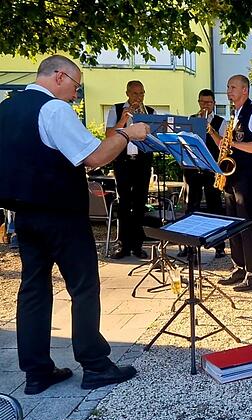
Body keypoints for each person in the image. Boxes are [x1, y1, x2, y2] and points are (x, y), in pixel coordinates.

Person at [0, 55, 148, 394]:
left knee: (33, 290)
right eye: (75, 87)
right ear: (59, 76)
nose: (75, 95)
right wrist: (126, 133)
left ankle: (36, 372)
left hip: (24, 214)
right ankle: (95, 365)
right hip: (61, 213)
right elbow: (93, 156)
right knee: (83, 288)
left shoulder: (7, 108)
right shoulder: (53, 109)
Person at [217, 75, 252, 292]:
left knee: (247, 226)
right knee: (233, 225)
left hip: (249, 177)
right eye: (228, 87)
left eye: (232, 87)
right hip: (233, 176)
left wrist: (235, 145)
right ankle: (239, 267)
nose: (228, 91)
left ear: (245, 90)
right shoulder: (235, 113)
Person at [105, 80, 155, 259]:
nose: (138, 98)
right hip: (123, 161)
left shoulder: (150, 111)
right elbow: (109, 135)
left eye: (141, 94)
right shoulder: (116, 109)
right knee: (124, 202)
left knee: (140, 202)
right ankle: (122, 244)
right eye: (135, 94)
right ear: (127, 93)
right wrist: (124, 119)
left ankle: (138, 244)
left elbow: (154, 138)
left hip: (142, 161)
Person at [179, 89, 227, 258]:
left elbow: (223, 145)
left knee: (215, 206)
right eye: (202, 102)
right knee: (192, 205)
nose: (205, 105)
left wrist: (209, 128)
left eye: (208, 102)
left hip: (212, 168)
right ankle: (189, 245)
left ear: (214, 104)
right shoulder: (191, 120)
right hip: (193, 168)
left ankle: (219, 245)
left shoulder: (221, 122)